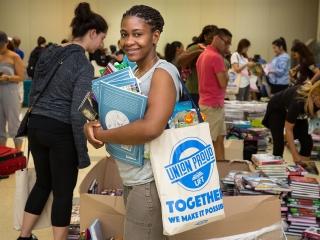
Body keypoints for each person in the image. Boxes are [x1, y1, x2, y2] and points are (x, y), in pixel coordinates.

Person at [84, 5, 181, 240]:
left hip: (148, 183)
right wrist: (92, 124)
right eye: (125, 34)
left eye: (138, 34)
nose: (129, 41)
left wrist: (102, 134)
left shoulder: (162, 73)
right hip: (132, 178)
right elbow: (113, 114)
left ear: (155, 36)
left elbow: (151, 127)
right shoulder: (132, 73)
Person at [17, 3, 108, 240]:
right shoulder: (83, 64)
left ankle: (24, 236)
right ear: (92, 33)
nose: (101, 45)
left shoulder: (49, 52)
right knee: (63, 192)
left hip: (36, 125)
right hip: (60, 130)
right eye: (102, 38)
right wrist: (83, 151)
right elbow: (78, 111)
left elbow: (34, 91)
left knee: (42, 183)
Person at [196, 28, 232, 161]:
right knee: (210, 143)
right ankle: (213, 175)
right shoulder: (216, 57)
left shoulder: (203, 54)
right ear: (218, 39)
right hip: (213, 106)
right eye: (227, 42)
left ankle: (221, 171)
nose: (228, 46)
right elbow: (223, 83)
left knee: (218, 140)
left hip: (207, 103)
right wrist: (227, 70)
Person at [262, 81, 320, 163]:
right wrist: (295, 154)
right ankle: (277, 170)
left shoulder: (316, 101)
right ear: (315, 95)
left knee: (307, 142)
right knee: (279, 144)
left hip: (297, 111)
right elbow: (288, 129)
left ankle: (301, 171)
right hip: (277, 109)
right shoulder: (298, 102)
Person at [177, 25, 218, 106]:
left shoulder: (215, 50)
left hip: (209, 92)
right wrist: (198, 52)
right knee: (194, 117)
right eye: (211, 38)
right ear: (205, 37)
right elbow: (180, 61)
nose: (213, 41)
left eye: (216, 39)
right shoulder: (197, 47)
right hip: (194, 91)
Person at [0, 31, 25, 151]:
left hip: (10, 92)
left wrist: (8, 77)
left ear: (6, 43)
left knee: (14, 124)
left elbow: (21, 77)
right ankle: (2, 154)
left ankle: (18, 154)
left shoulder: (14, 56)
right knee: (0, 125)